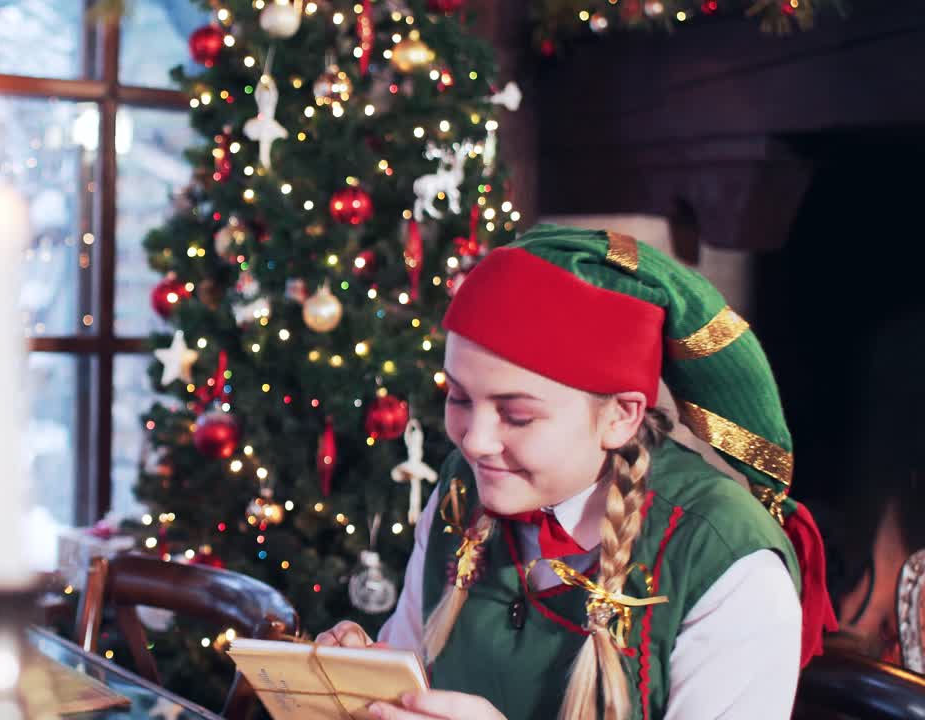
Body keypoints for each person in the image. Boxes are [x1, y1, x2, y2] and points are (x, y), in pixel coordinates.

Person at [316, 225, 838, 719]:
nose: (474, 441)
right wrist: (361, 684)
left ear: (620, 416)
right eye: (458, 397)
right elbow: (412, 665)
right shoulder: (463, 490)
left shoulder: (724, 560)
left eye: (517, 415)